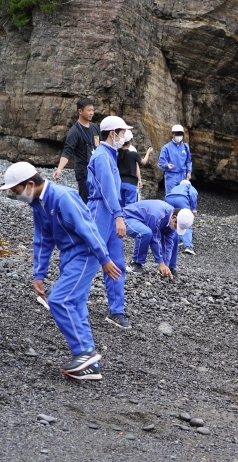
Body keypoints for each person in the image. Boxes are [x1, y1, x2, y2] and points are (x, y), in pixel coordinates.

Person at [0, 162, 119, 381]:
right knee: (75, 304)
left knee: (59, 300)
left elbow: (87, 228)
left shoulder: (63, 197)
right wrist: (39, 274)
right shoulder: (38, 204)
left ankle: (84, 353)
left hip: (86, 253)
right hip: (69, 256)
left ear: (30, 184)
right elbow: (43, 240)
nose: (17, 197)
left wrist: (105, 259)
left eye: (16, 192)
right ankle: (91, 367)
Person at [87, 115, 132, 329]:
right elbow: (106, 190)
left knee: (116, 262)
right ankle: (65, 298)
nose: (125, 136)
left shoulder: (110, 155)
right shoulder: (101, 156)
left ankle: (116, 311)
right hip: (100, 211)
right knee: (91, 257)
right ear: (113, 133)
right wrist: (119, 216)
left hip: (110, 211)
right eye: (122, 132)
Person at [123, 200, 194, 277]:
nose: (177, 228)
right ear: (174, 217)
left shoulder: (171, 219)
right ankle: (134, 263)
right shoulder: (157, 214)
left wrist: (166, 264)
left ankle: (170, 267)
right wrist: (161, 263)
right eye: (177, 226)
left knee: (175, 236)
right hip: (128, 218)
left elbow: (169, 243)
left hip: (145, 221)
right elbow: (154, 240)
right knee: (146, 233)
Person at [52, 98, 100, 202]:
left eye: (93, 110)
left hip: (96, 170)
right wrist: (59, 169)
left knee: (97, 199)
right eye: (89, 110)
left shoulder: (95, 128)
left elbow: (100, 146)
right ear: (80, 111)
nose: (92, 113)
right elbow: (67, 151)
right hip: (83, 172)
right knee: (86, 199)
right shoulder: (74, 131)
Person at [117, 130, 153, 207]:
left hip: (119, 183)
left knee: (120, 205)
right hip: (130, 183)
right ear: (130, 141)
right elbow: (143, 162)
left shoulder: (117, 154)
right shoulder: (133, 154)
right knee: (130, 207)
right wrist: (148, 153)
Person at [165, 179, 198, 255]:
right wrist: (193, 208)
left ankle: (175, 241)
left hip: (169, 199)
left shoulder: (176, 187)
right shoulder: (189, 186)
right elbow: (193, 194)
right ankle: (188, 246)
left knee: (172, 220)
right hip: (181, 199)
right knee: (185, 221)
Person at [158, 124, 192, 195]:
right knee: (170, 195)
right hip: (171, 175)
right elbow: (161, 162)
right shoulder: (166, 147)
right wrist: (167, 165)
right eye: (177, 134)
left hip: (183, 175)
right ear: (172, 134)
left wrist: (189, 171)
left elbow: (188, 161)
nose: (179, 136)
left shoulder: (185, 147)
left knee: (182, 195)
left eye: (180, 134)